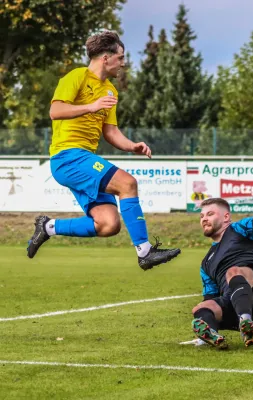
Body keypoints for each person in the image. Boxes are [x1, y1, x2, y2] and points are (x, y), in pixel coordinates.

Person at [27, 31, 180, 271]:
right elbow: (55, 111)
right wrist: (91, 106)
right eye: (120, 58)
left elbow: (110, 132)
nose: (123, 63)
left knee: (109, 225)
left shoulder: (110, 91)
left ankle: (47, 227)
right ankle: (145, 252)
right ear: (106, 58)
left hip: (84, 158)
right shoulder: (77, 77)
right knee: (127, 183)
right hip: (67, 156)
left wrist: (132, 146)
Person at [191, 192, 253, 348]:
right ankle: (212, 336)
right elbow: (210, 297)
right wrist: (207, 319)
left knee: (234, 272)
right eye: (202, 216)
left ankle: (245, 321)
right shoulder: (206, 264)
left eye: (210, 214)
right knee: (201, 308)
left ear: (226, 217)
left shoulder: (238, 229)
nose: (204, 219)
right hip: (235, 304)